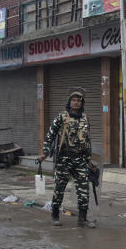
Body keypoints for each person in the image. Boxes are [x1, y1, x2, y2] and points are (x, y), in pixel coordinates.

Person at [37, 87, 96, 228]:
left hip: (80, 160)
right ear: (69, 102)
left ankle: (82, 219)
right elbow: (50, 135)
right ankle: (55, 215)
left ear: (82, 104)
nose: (75, 103)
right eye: (73, 100)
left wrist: (89, 161)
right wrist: (45, 153)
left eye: (78, 101)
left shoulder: (85, 118)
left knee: (84, 189)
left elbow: (87, 141)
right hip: (64, 159)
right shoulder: (62, 117)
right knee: (59, 188)